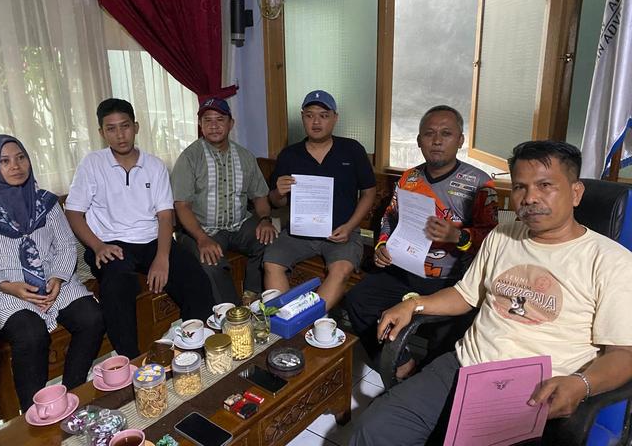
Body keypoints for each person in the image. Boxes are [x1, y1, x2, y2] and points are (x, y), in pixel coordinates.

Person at [350, 141, 632, 446]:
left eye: (545, 185)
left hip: (536, 390)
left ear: (575, 193)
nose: (530, 197)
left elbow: (623, 354)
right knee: (373, 430)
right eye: (520, 187)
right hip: (464, 366)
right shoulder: (502, 236)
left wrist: (581, 384)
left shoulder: (611, 262)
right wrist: (415, 305)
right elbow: (464, 295)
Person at [344, 105, 498, 376]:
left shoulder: (479, 183)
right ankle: (402, 365)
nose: (437, 140)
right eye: (429, 134)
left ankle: (425, 379)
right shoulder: (409, 178)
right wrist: (382, 246)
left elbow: (492, 239)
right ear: (419, 140)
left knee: (447, 341)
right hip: (404, 270)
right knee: (358, 299)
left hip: (452, 281)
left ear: (460, 140)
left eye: (446, 133)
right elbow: (390, 218)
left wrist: (458, 236)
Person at [66, 98, 215, 359]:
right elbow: (74, 212)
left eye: (125, 126)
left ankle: (194, 349)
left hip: (151, 241)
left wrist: (162, 257)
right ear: (101, 133)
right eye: (111, 128)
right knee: (117, 285)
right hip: (110, 244)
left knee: (195, 277)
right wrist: (97, 246)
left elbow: (165, 216)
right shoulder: (92, 164)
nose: (120, 134)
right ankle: (131, 360)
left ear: (135, 127)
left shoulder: (154, 166)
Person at [0, 135, 104, 411]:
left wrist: (58, 278)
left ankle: (71, 392)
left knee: (92, 317)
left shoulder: (45, 202)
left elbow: (65, 244)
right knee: (31, 334)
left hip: (53, 280)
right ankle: (36, 411)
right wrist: (9, 286)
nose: (16, 166)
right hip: (5, 290)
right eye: (4, 161)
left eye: (21, 158)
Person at [264, 90, 376, 311]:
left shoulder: (352, 150)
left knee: (341, 270)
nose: (316, 122)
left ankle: (305, 322)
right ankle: (284, 318)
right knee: (271, 262)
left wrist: (350, 227)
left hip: (340, 232)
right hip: (299, 232)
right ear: (302, 118)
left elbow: (369, 192)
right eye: (310, 115)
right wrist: (278, 193)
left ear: (335, 118)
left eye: (323, 115)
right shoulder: (290, 154)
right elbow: (276, 203)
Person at [170, 98, 277, 304]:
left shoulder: (245, 156)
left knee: (271, 240)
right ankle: (233, 314)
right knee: (210, 262)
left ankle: (252, 296)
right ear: (200, 125)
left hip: (238, 225)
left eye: (220, 119)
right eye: (207, 120)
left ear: (231, 123)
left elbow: (260, 195)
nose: (214, 125)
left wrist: (265, 219)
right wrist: (202, 238)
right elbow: (182, 206)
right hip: (200, 229)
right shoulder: (190, 157)